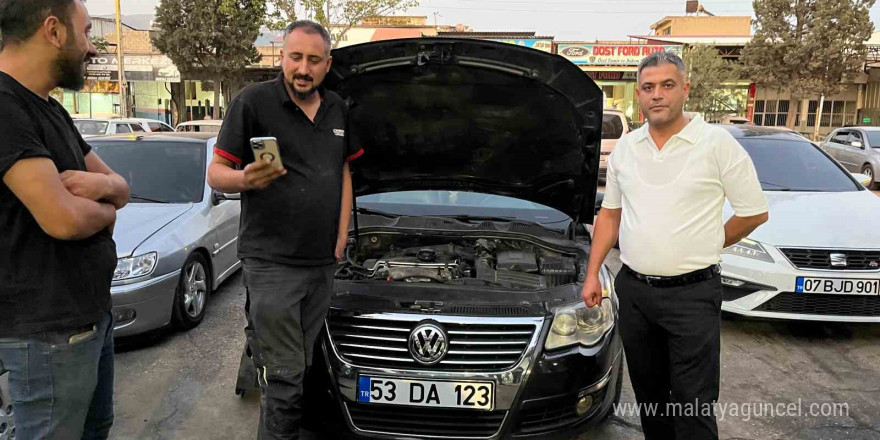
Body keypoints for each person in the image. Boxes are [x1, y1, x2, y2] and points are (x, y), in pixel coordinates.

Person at [581, 51, 768, 440]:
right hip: (635, 292)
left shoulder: (716, 144)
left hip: (693, 294)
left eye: (667, 85)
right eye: (648, 87)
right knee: (650, 397)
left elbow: (753, 212)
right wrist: (591, 274)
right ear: (639, 94)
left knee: (693, 403)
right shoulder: (626, 150)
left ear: (685, 89)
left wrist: (708, 241)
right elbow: (610, 217)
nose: (657, 95)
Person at [207, 20, 361, 440]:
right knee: (286, 375)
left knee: (300, 367)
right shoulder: (254, 102)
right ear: (282, 57)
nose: (303, 69)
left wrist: (341, 236)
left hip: (321, 263)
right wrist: (245, 180)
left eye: (314, 60)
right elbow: (215, 174)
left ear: (327, 65)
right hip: (271, 263)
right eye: (296, 57)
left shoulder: (337, 109)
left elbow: (344, 172)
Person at [0, 0, 130, 438]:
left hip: (89, 317)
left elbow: (121, 186)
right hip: (47, 335)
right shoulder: (4, 107)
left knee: (96, 429)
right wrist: (108, 208)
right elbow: (63, 220)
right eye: (87, 33)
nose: (91, 48)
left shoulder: (49, 109)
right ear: (53, 31)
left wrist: (103, 193)